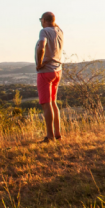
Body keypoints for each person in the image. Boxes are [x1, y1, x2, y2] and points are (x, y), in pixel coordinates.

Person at [35, 11, 64, 142]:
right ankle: (57, 133)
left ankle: (50, 136)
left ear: (44, 20)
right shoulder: (59, 31)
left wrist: (39, 64)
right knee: (53, 102)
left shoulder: (44, 31)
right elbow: (54, 24)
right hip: (58, 70)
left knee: (46, 104)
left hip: (45, 71)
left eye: (41, 20)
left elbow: (41, 47)